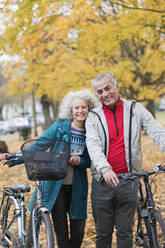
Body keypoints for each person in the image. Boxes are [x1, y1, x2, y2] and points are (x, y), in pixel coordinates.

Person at [0, 89, 97, 248]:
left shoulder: (92, 130)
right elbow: (39, 146)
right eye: (76, 108)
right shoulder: (60, 127)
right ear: (71, 111)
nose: (80, 111)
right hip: (55, 185)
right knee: (61, 234)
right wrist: (14, 158)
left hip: (78, 186)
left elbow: (93, 158)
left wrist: (80, 160)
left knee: (78, 233)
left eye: (83, 107)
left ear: (89, 109)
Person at [85, 72, 165, 248]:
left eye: (107, 88)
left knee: (125, 232)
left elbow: (157, 131)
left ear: (116, 86)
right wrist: (105, 168)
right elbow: (92, 145)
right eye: (99, 91)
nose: (104, 94)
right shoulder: (93, 117)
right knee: (103, 234)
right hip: (102, 183)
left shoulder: (136, 109)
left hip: (129, 180)